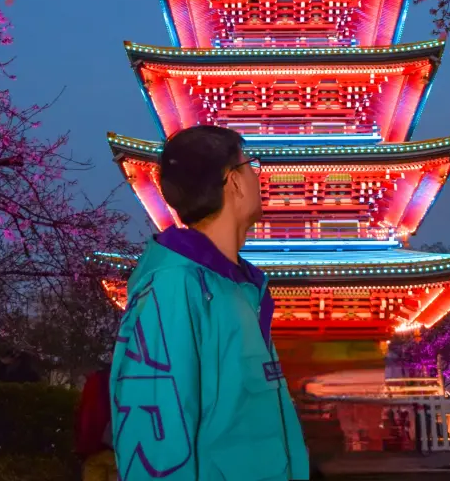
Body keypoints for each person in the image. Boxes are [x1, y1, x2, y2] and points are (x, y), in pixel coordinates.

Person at [111, 125, 309, 481]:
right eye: (253, 166)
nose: (259, 177)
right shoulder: (174, 287)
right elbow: (157, 444)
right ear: (232, 181)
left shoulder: (240, 289)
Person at [76, 359, 117, 481]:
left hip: (93, 448)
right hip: (119, 452)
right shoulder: (130, 382)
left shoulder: (95, 381)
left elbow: (84, 413)